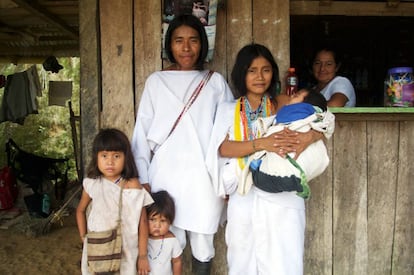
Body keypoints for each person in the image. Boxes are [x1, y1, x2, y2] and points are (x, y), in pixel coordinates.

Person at [209, 43, 335, 275]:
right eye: (252, 70)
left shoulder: (286, 102)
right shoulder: (229, 109)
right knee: (242, 258)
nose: (259, 76)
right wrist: (262, 144)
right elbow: (224, 148)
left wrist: (310, 136)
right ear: (241, 74)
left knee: (284, 258)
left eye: (265, 70)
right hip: (244, 191)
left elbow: (325, 119)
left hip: (283, 195)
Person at [131, 14, 234, 274]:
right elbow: (141, 132)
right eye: (179, 41)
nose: (186, 48)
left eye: (193, 40)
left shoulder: (215, 82)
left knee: (203, 243)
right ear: (169, 45)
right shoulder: (156, 81)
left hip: (204, 178)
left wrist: (229, 178)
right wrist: (142, 176)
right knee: (164, 241)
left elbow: (230, 132)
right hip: (165, 176)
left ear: (202, 45)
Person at [76, 128, 154, 275]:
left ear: (126, 158)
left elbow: (142, 222)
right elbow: (80, 210)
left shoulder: (133, 185)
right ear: (96, 158)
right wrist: (84, 237)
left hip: (127, 250)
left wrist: (143, 255)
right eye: (104, 156)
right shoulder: (92, 183)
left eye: (116, 156)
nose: (110, 162)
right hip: (99, 247)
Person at [241, 88, 334, 200]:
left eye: (297, 95)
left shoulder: (287, 107)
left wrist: (311, 135)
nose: (293, 95)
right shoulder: (237, 108)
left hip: (279, 183)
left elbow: (327, 117)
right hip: (270, 187)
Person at [147, 190, 183, 275]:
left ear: (170, 221)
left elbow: (177, 261)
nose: (157, 225)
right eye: (152, 220)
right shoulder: (142, 238)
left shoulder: (171, 240)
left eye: (162, 221)